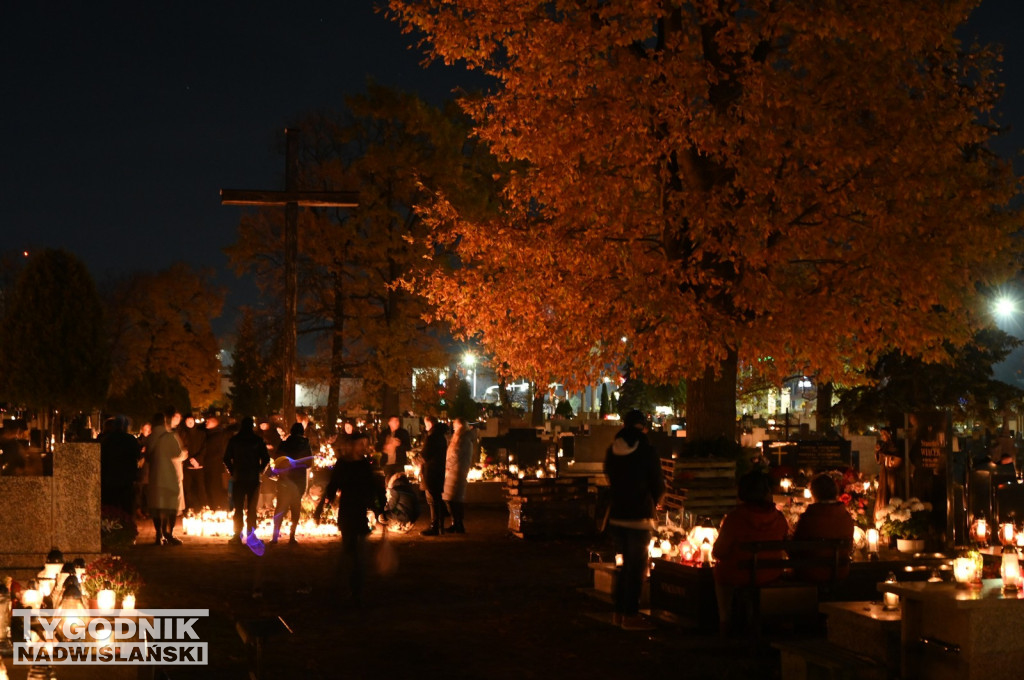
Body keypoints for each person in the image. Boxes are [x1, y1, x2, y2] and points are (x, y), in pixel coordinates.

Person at [603, 409, 665, 631]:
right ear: (643, 426)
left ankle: (618, 613)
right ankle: (630, 615)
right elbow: (657, 482)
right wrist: (653, 502)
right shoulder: (647, 450)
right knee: (637, 567)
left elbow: (609, 475)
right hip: (639, 516)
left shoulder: (612, 450)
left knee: (623, 566)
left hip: (618, 515)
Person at [712, 469, 790, 636]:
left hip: (740, 575)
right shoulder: (779, 518)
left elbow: (718, 552)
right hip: (771, 575)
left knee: (719, 572)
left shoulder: (735, 518)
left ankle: (725, 621)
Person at [314, 420, 381, 607]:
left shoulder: (363, 465)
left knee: (355, 552)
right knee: (351, 550)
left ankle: (353, 588)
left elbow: (372, 488)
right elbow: (333, 486)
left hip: (357, 510)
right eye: (361, 445)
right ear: (351, 446)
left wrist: (378, 508)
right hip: (349, 509)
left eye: (365, 445)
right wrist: (321, 507)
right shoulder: (345, 464)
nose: (364, 448)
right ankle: (349, 585)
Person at [791, 473, 855, 583]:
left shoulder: (809, 518)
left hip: (810, 572)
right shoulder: (846, 517)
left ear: (814, 494)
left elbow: (796, 547)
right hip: (840, 571)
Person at [223, 416, 270, 544]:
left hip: (239, 477)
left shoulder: (234, 440)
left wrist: (233, 471)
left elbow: (226, 458)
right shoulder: (258, 440)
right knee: (252, 508)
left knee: (238, 508)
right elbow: (266, 458)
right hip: (253, 478)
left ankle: (237, 535)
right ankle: (251, 535)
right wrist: (260, 470)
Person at [147, 411, 187, 545]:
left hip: (154, 475)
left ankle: (158, 534)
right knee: (170, 505)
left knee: (156, 506)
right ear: (164, 422)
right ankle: (168, 533)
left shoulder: (151, 437)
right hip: (169, 475)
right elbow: (177, 453)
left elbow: (147, 456)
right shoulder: (170, 436)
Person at [271, 422, 314, 544]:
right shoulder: (305, 445)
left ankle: (275, 536)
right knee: (295, 508)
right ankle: (292, 536)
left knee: (280, 507)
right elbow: (309, 463)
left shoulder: (284, 444)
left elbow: (276, 458)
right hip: (299, 480)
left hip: (285, 479)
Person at [100, 415, 143, 516]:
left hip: (110, 478)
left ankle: (112, 527)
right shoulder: (130, 439)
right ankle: (126, 527)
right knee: (126, 507)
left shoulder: (107, 440)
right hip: (126, 479)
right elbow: (137, 455)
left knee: (111, 507)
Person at [442, 418, 474, 534]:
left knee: (454, 499)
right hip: (454, 471)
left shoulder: (463, 439)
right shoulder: (460, 438)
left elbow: (456, 454)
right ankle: (456, 523)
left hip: (456, 471)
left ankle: (458, 523)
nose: (453, 427)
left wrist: (446, 465)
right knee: (452, 499)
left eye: (455, 424)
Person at [419, 416, 449, 536]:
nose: (425, 427)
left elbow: (425, 455)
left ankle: (435, 527)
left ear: (430, 423)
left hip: (431, 471)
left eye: (426, 424)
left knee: (433, 500)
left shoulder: (432, 437)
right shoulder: (440, 436)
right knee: (436, 499)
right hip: (438, 470)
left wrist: (415, 459)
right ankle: (439, 526)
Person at [202, 417, 231, 510]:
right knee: (209, 485)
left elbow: (221, 451)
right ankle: (212, 505)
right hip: (208, 464)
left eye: (208, 421)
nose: (206, 422)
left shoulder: (219, 434)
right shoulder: (207, 433)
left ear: (214, 423)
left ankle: (217, 505)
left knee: (215, 486)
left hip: (215, 464)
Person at [875, 427, 904, 515]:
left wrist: (887, 455)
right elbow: (879, 461)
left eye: (884, 434)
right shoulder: (883, 445)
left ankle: (892, 509)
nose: (882, 437)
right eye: (881, 435)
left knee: (891, 488)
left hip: (891, 470)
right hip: (884, 470)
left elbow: (897, 456)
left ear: (888, 434)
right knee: (883, 489)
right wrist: (877, 452)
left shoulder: (893, 444)